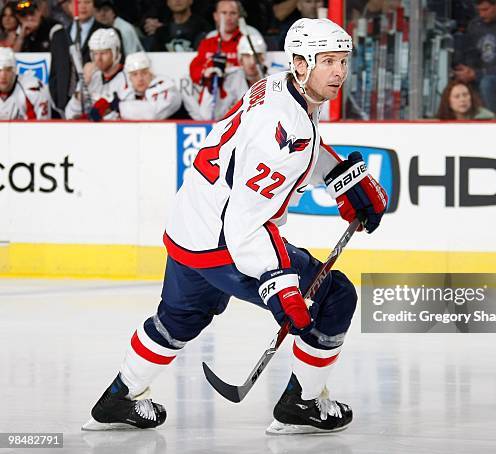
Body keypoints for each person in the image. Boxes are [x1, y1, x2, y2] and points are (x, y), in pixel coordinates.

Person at [82, 18, 387, 435]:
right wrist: (278, 283)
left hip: (191, 225)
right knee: (334, 298)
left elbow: (296, 150)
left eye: (343, 61)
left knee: (179, 319)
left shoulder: (278, 86)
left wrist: (341, 177)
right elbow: (246, 221)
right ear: (300, 64)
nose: (339, 72)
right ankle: (302, 402)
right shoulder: (286, 132)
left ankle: (118, 397)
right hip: (226, 241)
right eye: (328, 61)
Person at [183, 28, 268, 120]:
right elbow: (207, 116)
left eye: (256, 56)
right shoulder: (230, 79)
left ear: (263, 58)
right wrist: (210, 89)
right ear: (240, 59)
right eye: (247, 56)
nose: (252, 62)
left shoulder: (275, 77)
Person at [48, 0, 107, 115]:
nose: (82, 6)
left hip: (95, 103)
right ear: (69, 6)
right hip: (64, 105)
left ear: (94, 5)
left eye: (87, 2)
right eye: (78, 2)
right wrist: (58, 100)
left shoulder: (106, 32)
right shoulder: (58, 36)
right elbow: (54, 73)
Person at [64, 27, 128, 120]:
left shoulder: (128, 78)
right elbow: (69, 114)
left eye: (104, 53)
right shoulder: (91, 77)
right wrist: (82, 87)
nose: (98, 59)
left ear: (116, 52)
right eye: (95, 53)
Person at [189, 0, 242, 84]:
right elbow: (194, 70)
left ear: (239, 16)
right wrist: (208, 72)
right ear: (215, 16)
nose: (228, 18)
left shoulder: (246, 42)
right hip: (212, 92)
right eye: (224, 13)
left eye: (233, 13)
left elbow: (253, 71)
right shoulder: (207, 43)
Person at [118, 51, 181, 119]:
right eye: (134, 74)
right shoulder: (126, 95)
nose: (140, 79)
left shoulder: (167, 87)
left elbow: (152, 114)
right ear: (130, 78)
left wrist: (118, 108)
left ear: (151, 73)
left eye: (144, 73)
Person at [0, 47, 51, 119]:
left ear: (15, 71)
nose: (3, 76)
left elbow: (41, 127)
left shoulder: (31, 90)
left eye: (8, 70)